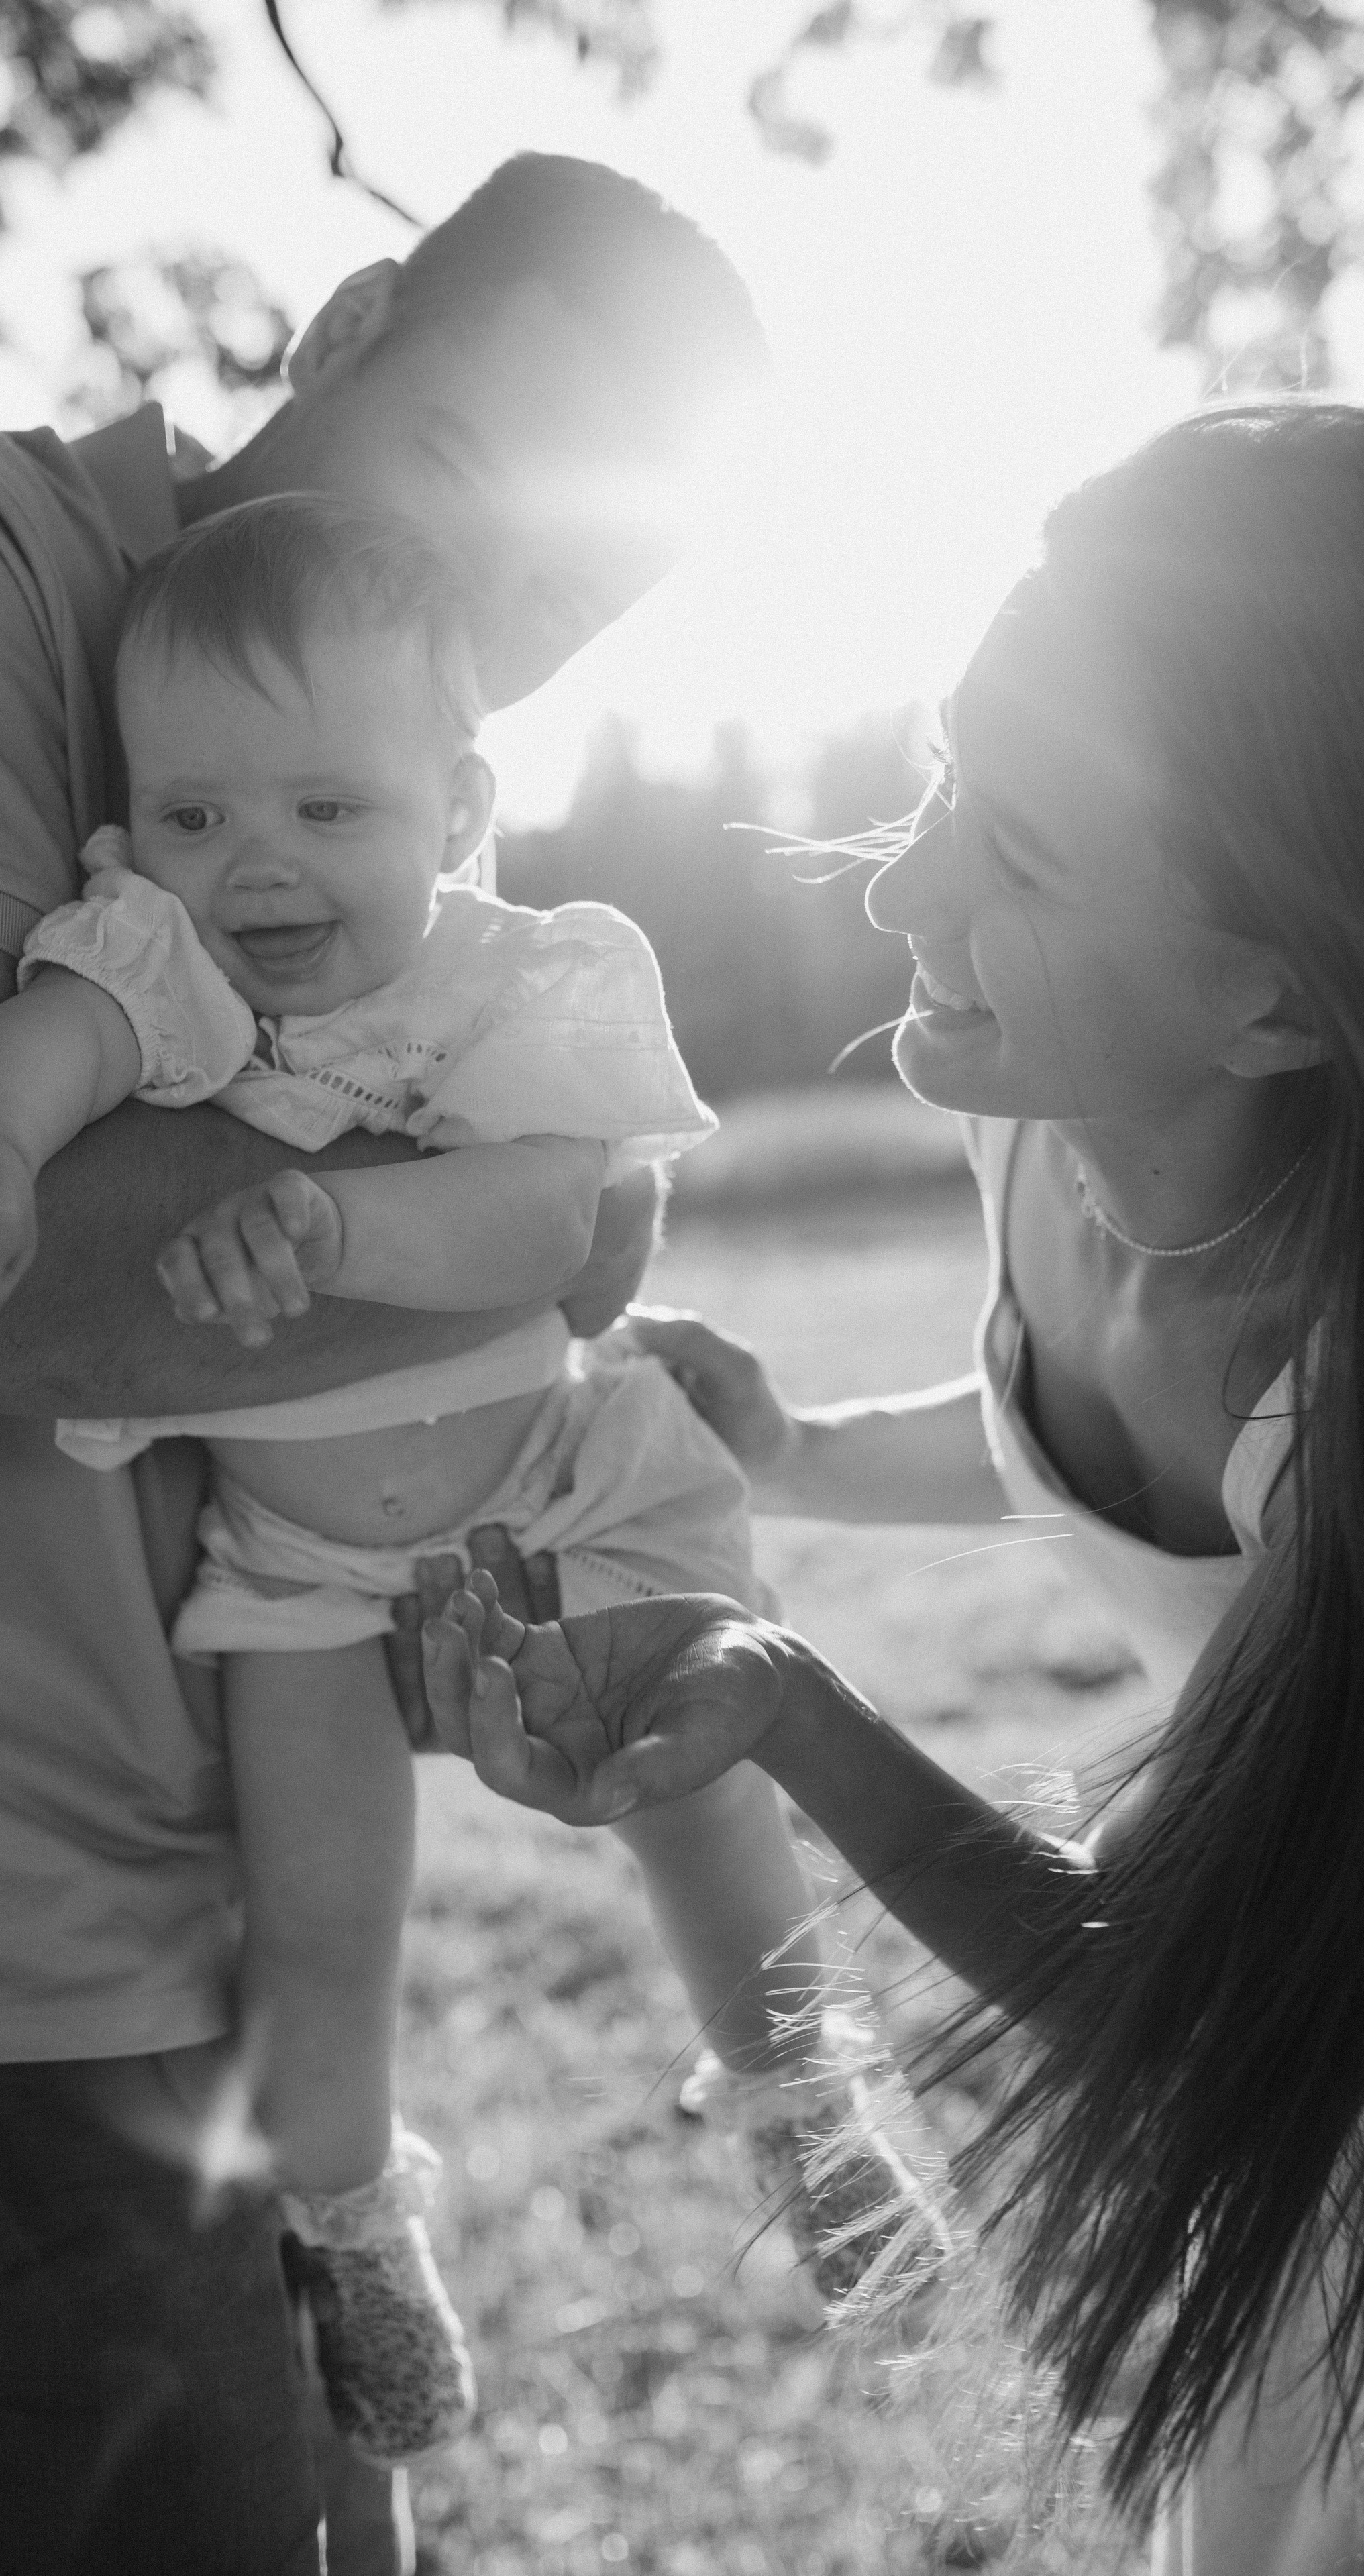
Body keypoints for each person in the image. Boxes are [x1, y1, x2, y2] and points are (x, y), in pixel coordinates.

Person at [0, 155, 769, 2575]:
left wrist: (544, 1279)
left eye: (566, 595)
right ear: (351, 318)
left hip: (197, 1899)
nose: (478, 601)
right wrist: (516, 1241)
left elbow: (572, 1213)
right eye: (474, 472)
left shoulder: (367, 789)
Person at [0, 487, 939, 2465]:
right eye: (198, 813)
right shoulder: (159, 963)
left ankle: (809, 2110)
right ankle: (353, 2231)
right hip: (300, 1564)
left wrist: (327, 1234)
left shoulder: (518, 980)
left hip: (566, 1472)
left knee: (701, 1804)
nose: (256, 865)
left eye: (328, 810)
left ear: (455, 804)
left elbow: (547, 1223)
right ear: (138, 827)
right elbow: (46, 1055)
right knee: (320, 1919)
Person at [419, 399, 1364, 2575]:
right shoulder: (1041, 1104)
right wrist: (791, 1455)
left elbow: (1180, 1993)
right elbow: (1101, 1454)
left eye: (1023, 853)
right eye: (948, 773)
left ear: (1279, 1003)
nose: (911, 877)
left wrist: (785, 1701)